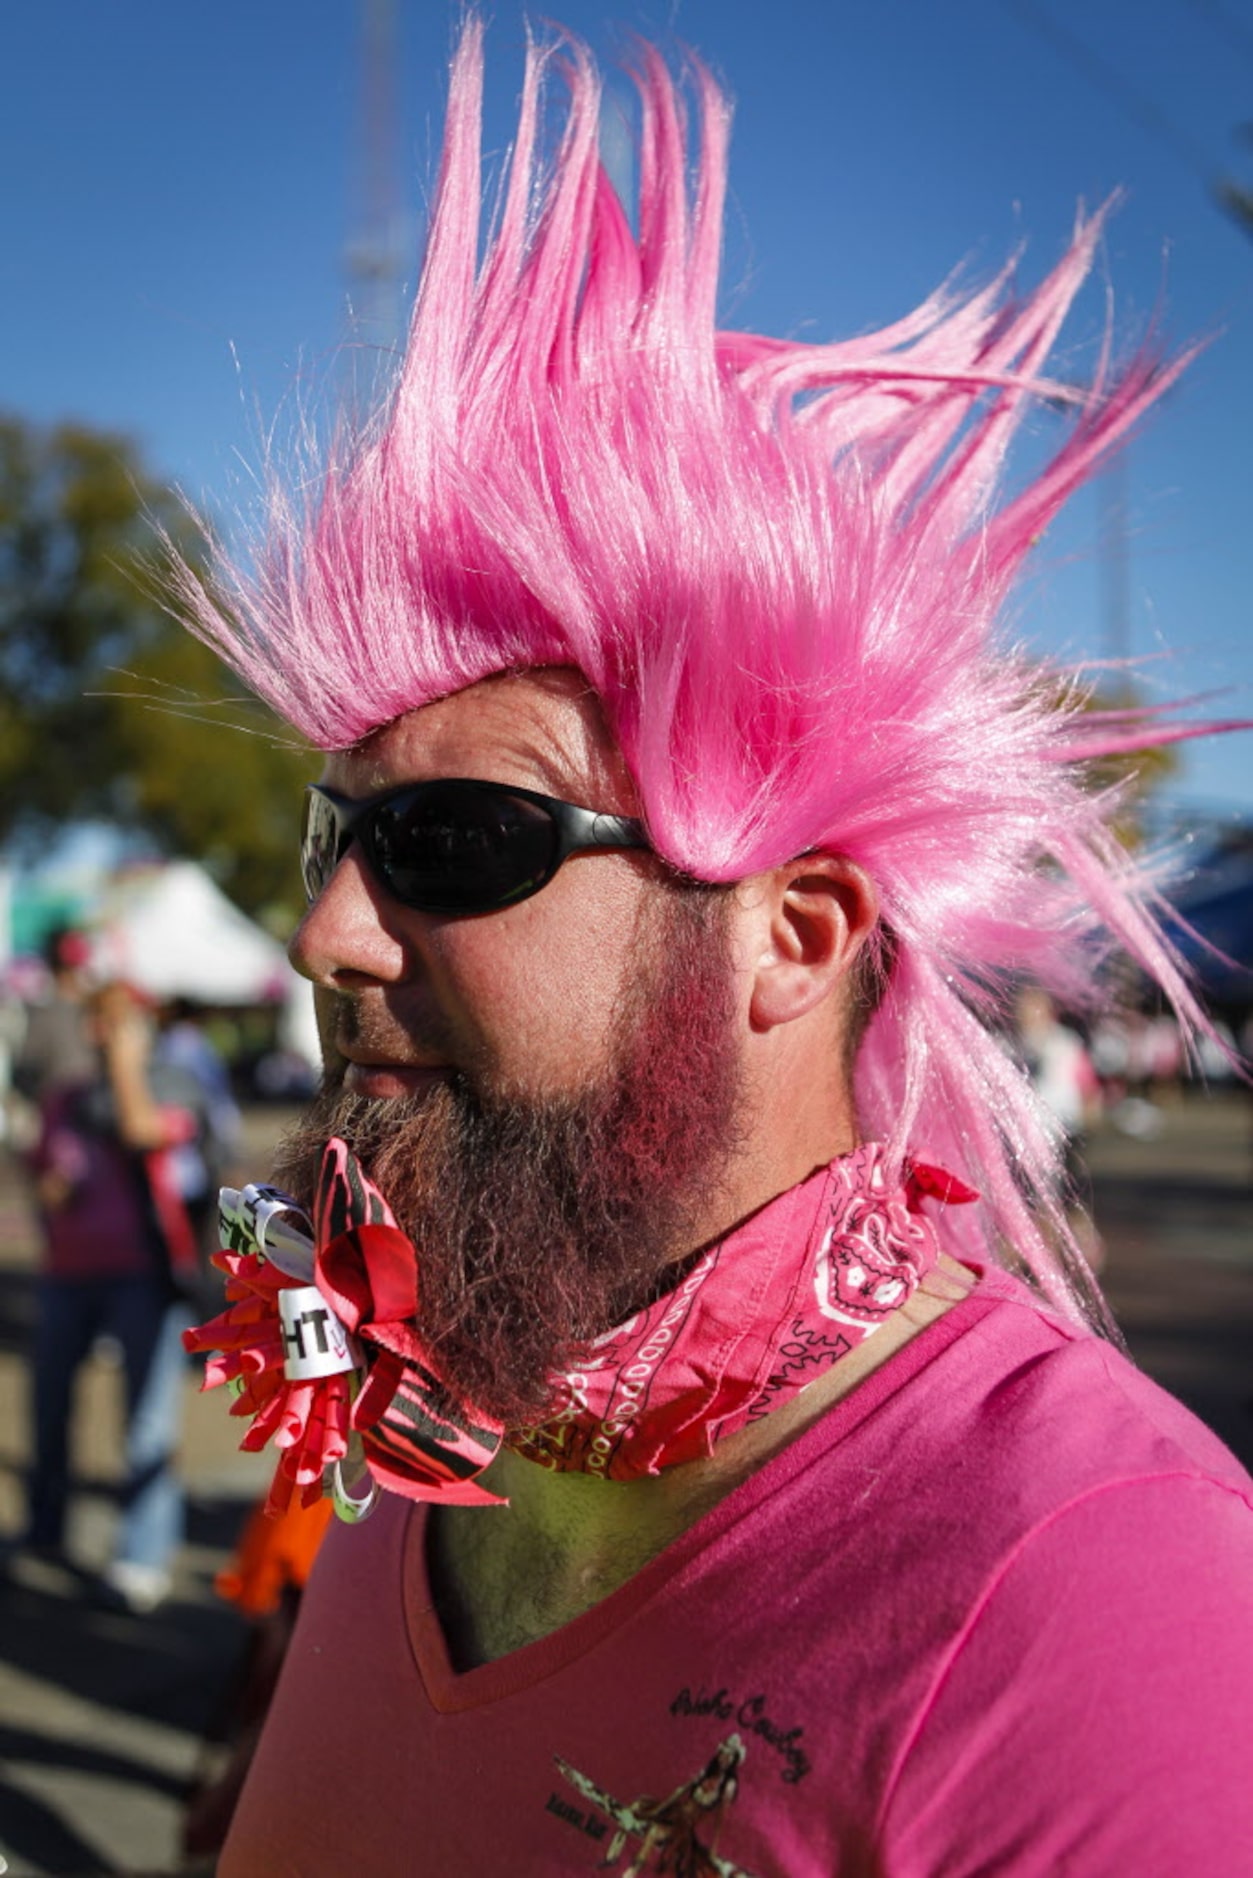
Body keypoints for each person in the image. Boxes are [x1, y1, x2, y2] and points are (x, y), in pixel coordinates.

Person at [177, 21, 1253, 1873]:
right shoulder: (444, 1408)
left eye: (453, 841)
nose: (328, 928)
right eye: (335, 831)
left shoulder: (1107, 1580)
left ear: (796, 928)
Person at [23, 981, 204, 1611]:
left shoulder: (174, 1083)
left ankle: (142, 1556)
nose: (100, 1035)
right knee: (47, 1408)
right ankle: (43, 1530)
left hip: (145, 1276)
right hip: (66, 1276)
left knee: (147, 1423)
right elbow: (41, 1174)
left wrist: (127, 1065)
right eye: (95, 1023)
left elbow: (140, 1131)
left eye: (115, 1023)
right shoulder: (65, 1097)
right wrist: (51, 1195)